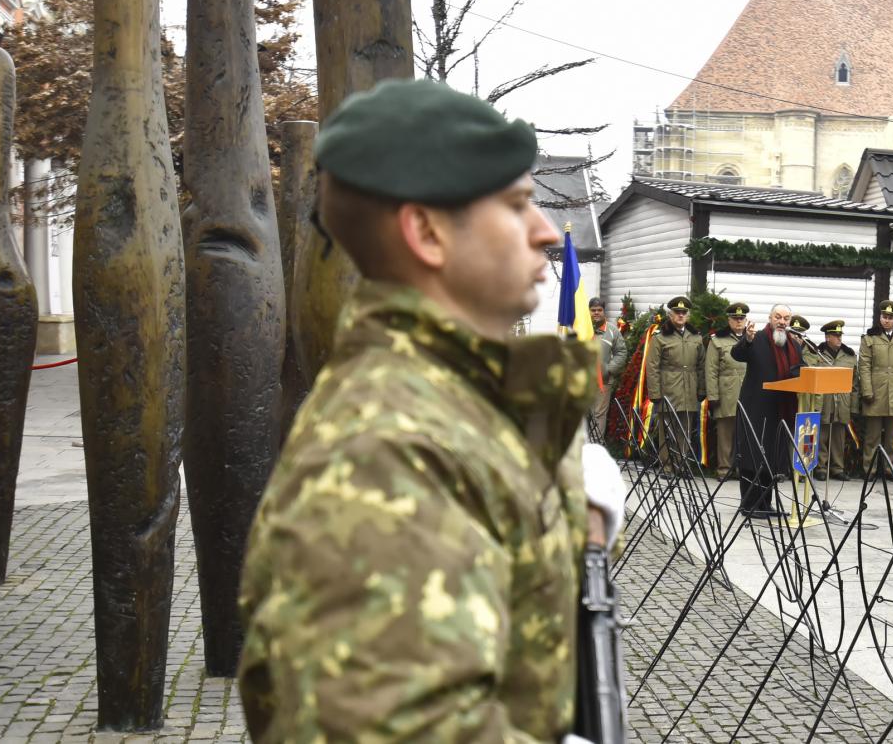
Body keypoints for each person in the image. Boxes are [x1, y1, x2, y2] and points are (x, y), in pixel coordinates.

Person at [237, 78, 626, 742]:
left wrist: (564, 506)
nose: (543, 234)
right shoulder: (384, 452)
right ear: (427, 232)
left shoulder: (446, 401)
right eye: (517, 205)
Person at [732, 304, 803, 517]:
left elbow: (801, 369)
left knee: (771, 457)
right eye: (778, 317)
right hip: (755, 407)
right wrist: (748, 339)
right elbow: (737, 353)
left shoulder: (794, 344)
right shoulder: (758, 338)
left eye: (786, 318)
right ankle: (748, 504)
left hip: (779, 409)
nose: (782, 322)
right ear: (770, 318)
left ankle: (765, 504)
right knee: (752, 456)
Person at [645, 295, 707, 471]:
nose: (680, 316)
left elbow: (701, 365)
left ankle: (681, 464)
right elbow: (652, 367)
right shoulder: (660, 337)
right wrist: (655, 393)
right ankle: (667, 466)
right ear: (670, 315)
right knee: (667, 430)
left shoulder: (695, 337)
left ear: (688, 315)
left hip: (689, 389)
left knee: (685, 430)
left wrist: (702, 389)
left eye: (684, 313)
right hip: (668, 389)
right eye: (677, 312)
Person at [859, 300, 893, 479]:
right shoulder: (869, 338)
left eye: (891, 318)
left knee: (892, 437)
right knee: (872, 437)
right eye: (884, 317)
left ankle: (890, 469)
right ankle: (870, 469)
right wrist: (866, 390)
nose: (887, 320)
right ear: (880, 318)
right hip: (875, 392)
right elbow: (864, 366)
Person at [704, 302, 749, 481]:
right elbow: (711, 370)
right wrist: (713, 396)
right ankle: (724, 469)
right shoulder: (717, 341)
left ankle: (742, 468)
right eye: (735, 318)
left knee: (744, 434)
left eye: (741, 318)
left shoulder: (753, 338)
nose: (738, 322)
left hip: (748, 394)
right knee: (725, 434)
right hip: (726, 393)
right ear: (728, 320)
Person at [816, 320, 857, 482]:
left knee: (839, 437)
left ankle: (837, 468)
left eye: (840, 335)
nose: (839, 338)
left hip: (842, 402)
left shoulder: (849, 356)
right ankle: (820, 467)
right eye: (835, 335)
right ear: (827, 337)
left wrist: (853, 407)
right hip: (824, 401)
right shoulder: (817, 354)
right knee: (822, 436)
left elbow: (855, 384)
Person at [588, 297, 627, 438]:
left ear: (604, 312)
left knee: (599, 414)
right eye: (593, 310)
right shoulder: (582, 328)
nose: (596, 313)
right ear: (588, 312)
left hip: (603, 380)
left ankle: (595, 450)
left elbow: (621, 352)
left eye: (599, 310)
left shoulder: (612, 331)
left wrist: (608, 369)